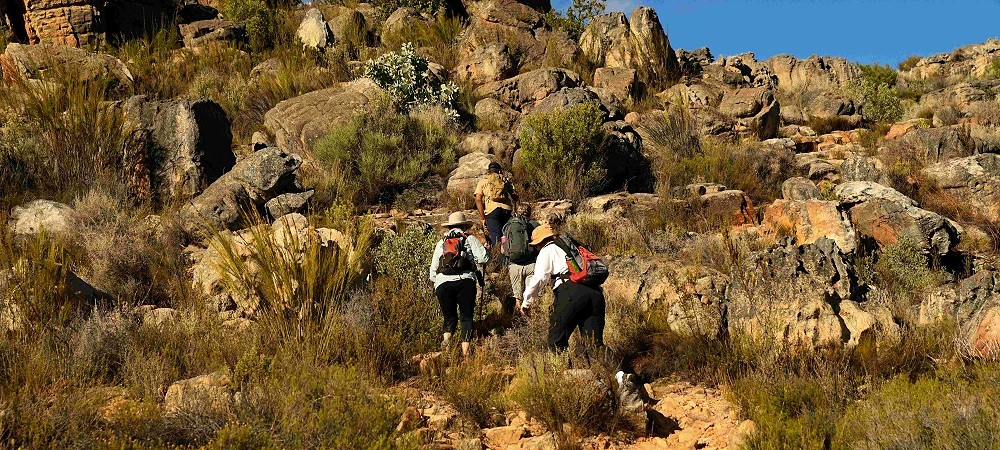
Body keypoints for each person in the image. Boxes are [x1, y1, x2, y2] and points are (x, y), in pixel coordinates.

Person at [520, 224, 606, 352]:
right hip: (594, 291)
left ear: (541, 242)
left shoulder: (547, 250)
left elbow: (539, 278)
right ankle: (620, 372)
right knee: (595, 345)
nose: (536, 247)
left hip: (571, 292)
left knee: (556, 341)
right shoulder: (571, 248)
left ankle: (563, 371)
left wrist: (526, 302)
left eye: (536, 244)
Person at [429, 211, 489, 357]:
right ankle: (466, 353)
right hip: (465, 281)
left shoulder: (441, 242)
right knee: (466, 317)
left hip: (443, 282)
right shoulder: (469, 239)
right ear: (464, 226)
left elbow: (433, 271)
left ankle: (447, 340)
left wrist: (438, 282)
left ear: (449, 227)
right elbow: (483, 258)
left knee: (449, 317)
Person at [475, 162, 518, 249]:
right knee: (508, 237)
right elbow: (515, 197)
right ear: (499, 171)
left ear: (489, 171)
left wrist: (483, 218)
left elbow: (478, 199)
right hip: (507, 211)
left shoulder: (483, 181)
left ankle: (499, 260)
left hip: (492, 211)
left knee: (497, 240)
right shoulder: (505, 181)